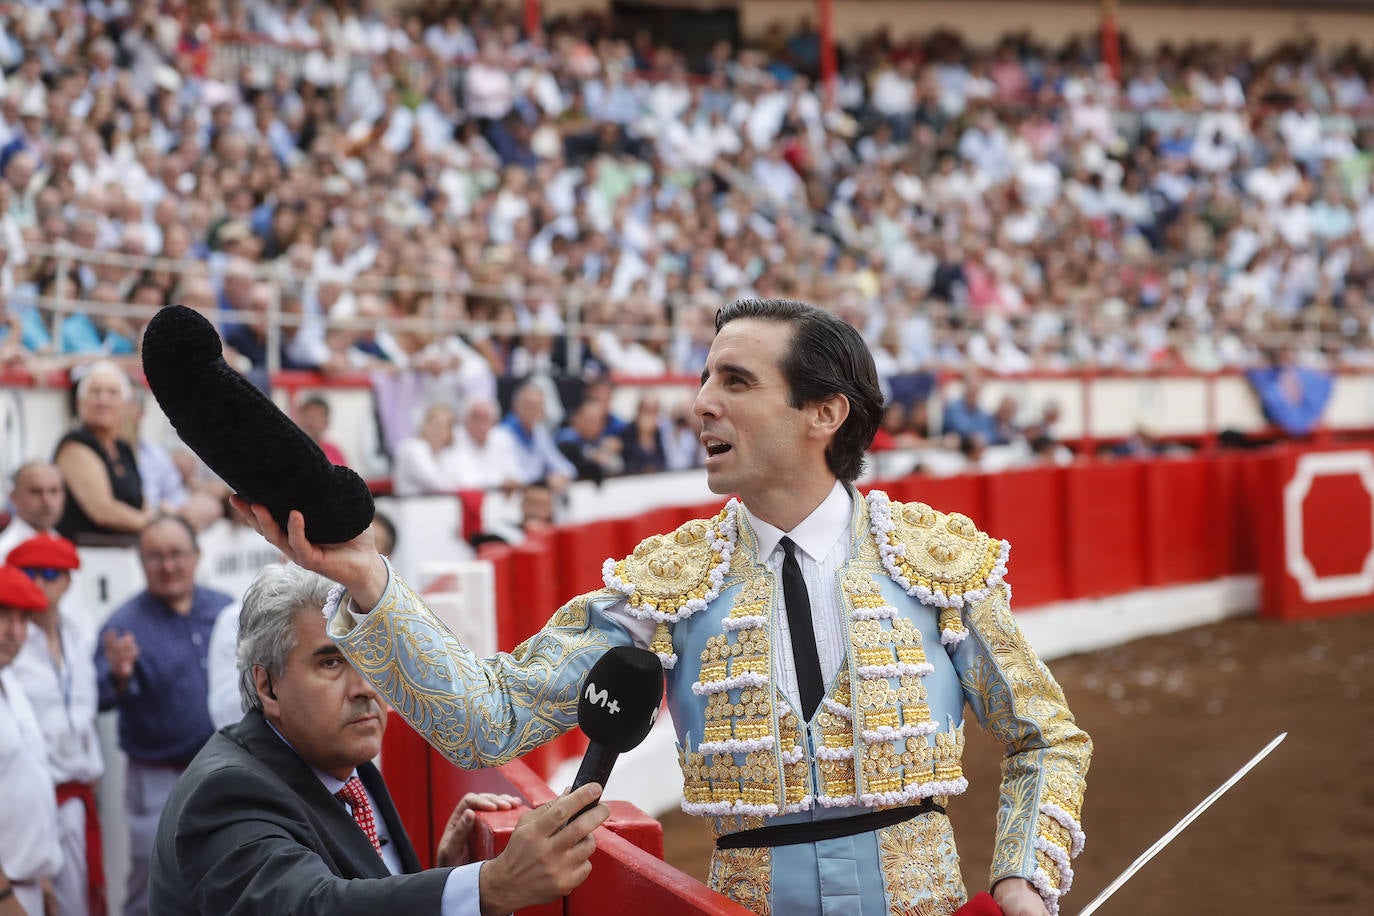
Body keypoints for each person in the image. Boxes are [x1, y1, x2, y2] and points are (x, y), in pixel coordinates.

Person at [236, 298, 1092, 916]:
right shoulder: (669, 584)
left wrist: (1023, 874)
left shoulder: (934, 561)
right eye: (704, 377)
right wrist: (367, 578)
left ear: (823, 414)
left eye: (736, 380)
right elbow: (488, 721)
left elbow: (1044, 734)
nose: (700, 403)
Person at [150, 563, 609, 915]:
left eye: (373, 662)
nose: (366, 687)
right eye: (331, 663)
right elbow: (311, 906)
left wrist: (439, 873)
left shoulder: (340, 761)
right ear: (267, 686)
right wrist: (488, 885)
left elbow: (350, 886)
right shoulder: (227, 792)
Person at [94, 515, 235, 916]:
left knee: (226, 868)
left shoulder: (225, 609)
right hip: (158, 776)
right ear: (140, 562)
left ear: (196, 556)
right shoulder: (124, 624)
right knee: (150, 877)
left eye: (176, 554)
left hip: (224, 771)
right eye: (155, 556)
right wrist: (120, 676)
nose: (167, 565)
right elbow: (100, 697)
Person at [8, 534, 104, 916]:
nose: (41, 582)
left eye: (52, 573)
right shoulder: (11, 641)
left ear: (67, 580)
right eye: (30, 573)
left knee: (80, 900)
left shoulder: (78, 633)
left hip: (78, 792)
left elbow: (84, 711)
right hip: (32, 796)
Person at [0, 564, 63, 916]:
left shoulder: (11, 683)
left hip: (26, 881)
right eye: (3, 616)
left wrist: (40, 876)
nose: (13, 632)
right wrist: (4, 895)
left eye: (22, 619)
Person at [54, 360, 148, 545]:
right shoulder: (74, 445)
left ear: (126, 404)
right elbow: (103, 512)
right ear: (80, 403)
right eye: (95, 392)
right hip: (88, 553)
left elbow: (142, 503)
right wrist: (156, 525)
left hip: (125, 552)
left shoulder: (123, 447)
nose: (103, 400)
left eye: (112, 393)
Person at [392, 402, 462, 497]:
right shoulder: (411, 448)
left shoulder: (445, 453)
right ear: (425, 425)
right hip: (408, 509)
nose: (440, 430)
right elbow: (438, 484)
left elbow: (462, 479)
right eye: (437, 424)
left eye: (446, 426)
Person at [0, 461, 66, 559]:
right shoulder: (5, 552)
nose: (47, 501)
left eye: (54, 491)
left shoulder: (65, 547)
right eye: (35, 492)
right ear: (14, 497)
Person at [296, 396, 351, 468]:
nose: (309, 421)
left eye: (315, 417)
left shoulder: (334, 453)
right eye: (306, 415)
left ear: (326, 423)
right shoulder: (289, 449)